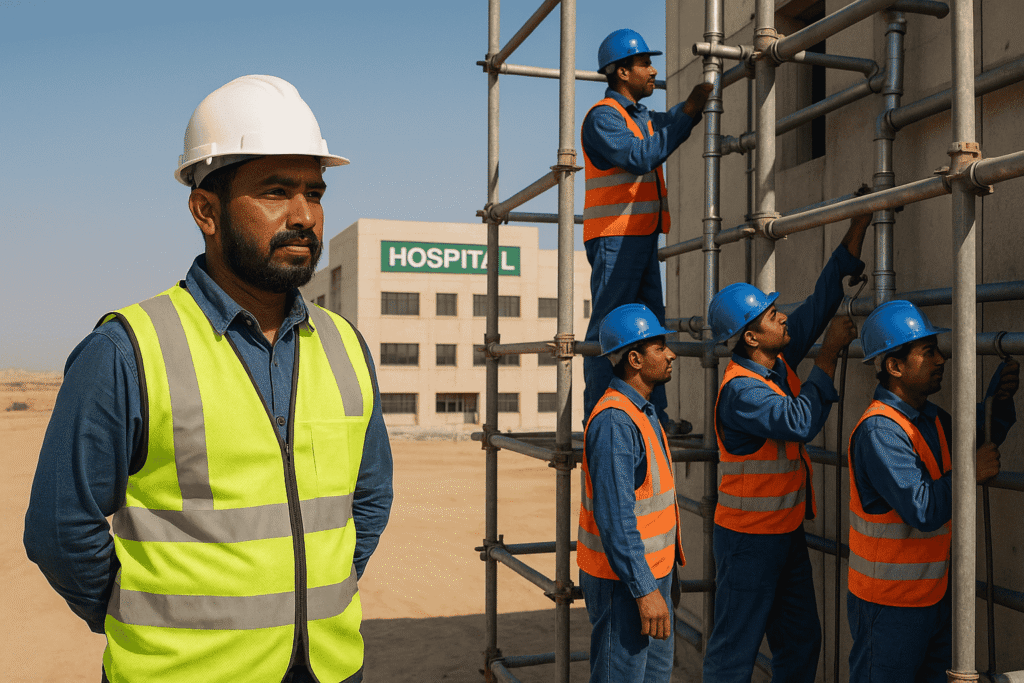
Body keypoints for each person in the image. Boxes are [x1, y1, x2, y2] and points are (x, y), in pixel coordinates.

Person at [23, 75, 393, 683]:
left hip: (329, 667)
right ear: (206, 211)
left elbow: (369, 498)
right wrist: (143, 616)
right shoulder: (126, 349)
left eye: (314, 193)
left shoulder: (345, 345)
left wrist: (314, 599)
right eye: (276, 191)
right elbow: (62, 529)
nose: (304, 215)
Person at [701, 213, 872, 683]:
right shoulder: (742, 391)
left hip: (784, 535)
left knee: (801, 640)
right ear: (751, 337)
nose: (782, 314)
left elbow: (820, 303)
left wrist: (860, 223)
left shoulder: (775, 365)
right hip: (748, 541)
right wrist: (829, 354)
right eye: (772, 314)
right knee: (733, 653)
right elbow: (799, 422)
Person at [847, 300, 1018, 683]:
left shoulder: (931, 418)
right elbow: (922, 509)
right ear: (895, 367)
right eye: (927, 353)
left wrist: (997, 403)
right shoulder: (880, 431)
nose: (942, 359)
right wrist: (970, 472)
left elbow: (972, 438)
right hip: (888, 604)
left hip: (933, 596)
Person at [581, 28, 714, 433]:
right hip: (614, 237)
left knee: (650, 328)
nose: (653, 71)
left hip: (639, 237)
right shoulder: (604, 117)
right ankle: (599, 419)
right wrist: (689, 110)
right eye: (645, 64)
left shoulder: (641, 117)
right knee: (609, 328)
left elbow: (672, 122)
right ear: (621, 71)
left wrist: (694, 104)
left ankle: (654, 416)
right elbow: (640, 157)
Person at [577, 303, 686, 683]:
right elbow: (616, 520)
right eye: (660, 348)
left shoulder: (642, 411)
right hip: (622, 582)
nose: (671, 354)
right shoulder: (614, 421)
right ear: (635, 359)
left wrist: (663, 579)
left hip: (650, 575)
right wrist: (644, 590)